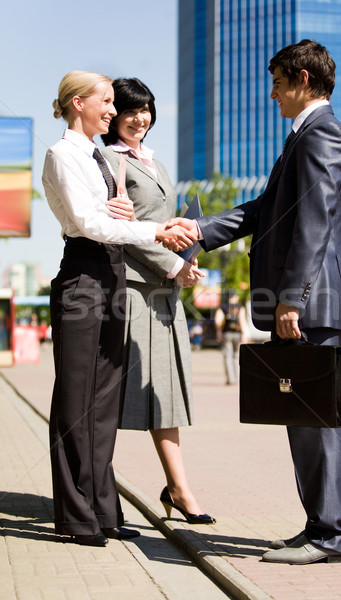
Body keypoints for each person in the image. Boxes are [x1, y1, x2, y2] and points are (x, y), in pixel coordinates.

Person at [168, 40, 341, 564]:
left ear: (300, 78)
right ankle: (319, 526)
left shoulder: (323, 135)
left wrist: (291, 300)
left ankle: (329, 536)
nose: (272, 94)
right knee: (304, 418)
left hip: (309, 303)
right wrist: (200, 230)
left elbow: (314, 223)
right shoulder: (304, 138)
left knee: (317, 420)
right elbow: (264, 209)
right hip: (304, 301)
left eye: (276, 82)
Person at [42, 70, 196, 547]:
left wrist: (139, 217)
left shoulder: (97, 157)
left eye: (113, 102)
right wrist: (155, 232)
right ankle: (76, 516)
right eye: (105, 101)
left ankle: (104, 507)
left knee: (105, 403)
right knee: (75, 401)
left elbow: (114, 216)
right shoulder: (62, 154)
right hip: (83, 277)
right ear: (76, 103)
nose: (112, 110)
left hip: (111, 277)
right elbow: (90, 223)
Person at [101, 78, 215, 524]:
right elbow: (124, 233)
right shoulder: (108, 160)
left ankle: (179, 489)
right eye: (131, 109)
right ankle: (99, 490)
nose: (140, 118)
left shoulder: (156, 163)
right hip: (131, 290)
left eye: (147, 109)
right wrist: (173, 266)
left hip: (165, 292)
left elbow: (160, 221)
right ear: (113, 114)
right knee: (113, 396)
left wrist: (187, 242)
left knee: (163, 393)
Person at [214, 291, 247, 384]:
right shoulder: (240, 307)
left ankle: (230, 379)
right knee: (236, 356)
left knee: (227, 356)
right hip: (237, 334)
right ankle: (237, 377)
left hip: (227, 334)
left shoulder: (223, 307)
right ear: (235, 297)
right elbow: (242, 320)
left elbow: (218, 321)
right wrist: (244, 334)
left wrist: (218, 332)